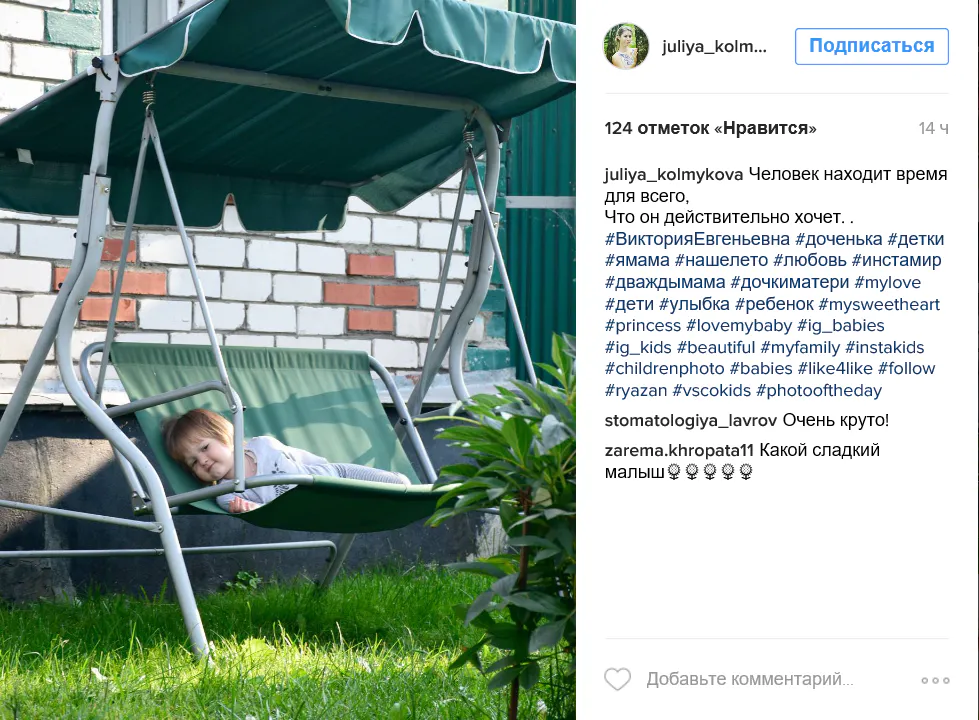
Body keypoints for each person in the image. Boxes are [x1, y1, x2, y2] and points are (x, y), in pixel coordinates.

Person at [162, 408, 410, 513]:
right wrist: (247, 510)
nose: (203, 461)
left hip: (330, 476)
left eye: (205, 448)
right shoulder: (226, 495)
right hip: (302, 506)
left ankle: (401, 486)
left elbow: (301, 459)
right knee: (354, 504)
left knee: (384, 483)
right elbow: (262, 513)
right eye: (193, 462)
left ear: (226, 436)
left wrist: (320, 467)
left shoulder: (262, 445)